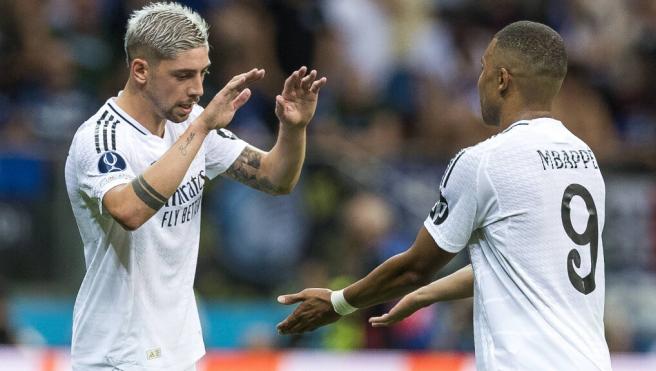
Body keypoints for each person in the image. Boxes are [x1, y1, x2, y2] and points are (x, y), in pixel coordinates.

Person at [277, 21, 611, 370]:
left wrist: (339, 302)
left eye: (483, 67)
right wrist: (425, 295)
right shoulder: (584, 160)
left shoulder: (485, 161)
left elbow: (415, 267)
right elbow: (521, 264)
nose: (478, 79)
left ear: (502, 80)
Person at [64, 3, 325, 370]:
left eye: (203, 74)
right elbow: (129, 210)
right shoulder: (102, 138)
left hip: (180, 348)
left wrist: (294, 129)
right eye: (183, 75)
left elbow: (275, 179)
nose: (197, 89)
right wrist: (199, 131)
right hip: (117, 353)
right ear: (140, 70)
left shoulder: (190, 122)